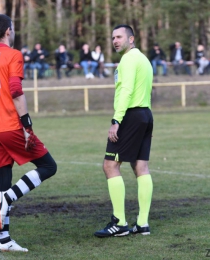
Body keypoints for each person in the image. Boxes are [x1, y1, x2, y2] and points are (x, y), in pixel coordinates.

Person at [0, 14, 57, 252]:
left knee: (1, 182)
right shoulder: (13, 54)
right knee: (48, 166)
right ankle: (9, 198)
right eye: (12, 28)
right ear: (7, 31)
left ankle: (3, 239)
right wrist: (27, 127)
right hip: (9, 125)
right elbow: (15, 90)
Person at [94, 24, 153, 238]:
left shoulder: (128, 59)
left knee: (110, 165)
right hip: (145, 113)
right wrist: (145, 122)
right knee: (140, 166)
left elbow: (127, 90)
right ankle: (143, 223)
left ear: (131, 39)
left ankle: (119, 223)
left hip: (130, 115)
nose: (115, 41)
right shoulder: (144, 59)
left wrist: (116, 120)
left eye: (119, 37)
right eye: (113, 38)